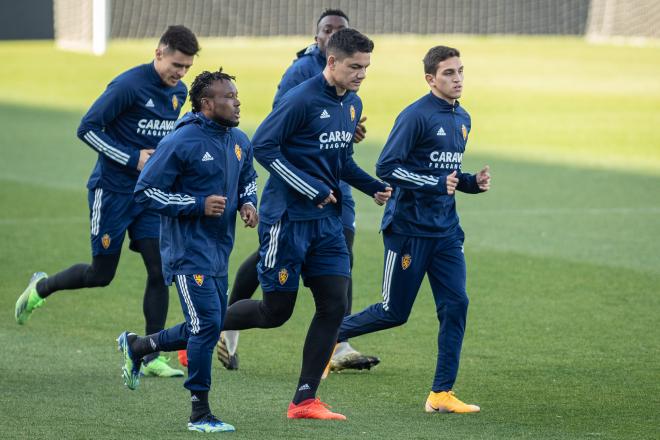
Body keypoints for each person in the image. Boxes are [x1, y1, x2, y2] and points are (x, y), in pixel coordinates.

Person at [221, 28, 391, 421]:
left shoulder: (352, 102)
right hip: (288, 219)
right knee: (274, 313)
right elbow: (262, 145)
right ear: (332, 62)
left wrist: (372, 187)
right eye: (354, 66)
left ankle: (304, 400)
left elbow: (341, 160)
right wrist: (309, 188)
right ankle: (200, 325)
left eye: (366, 67)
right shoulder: (300, 99)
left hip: (327, 223)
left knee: (333, 304)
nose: (362, 74)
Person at [14, 25, 199, 378]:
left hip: (146, 196)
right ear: (159, 53)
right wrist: (134, 159)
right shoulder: (128, 86)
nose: (180, 73)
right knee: (101, 274)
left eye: (187, 68)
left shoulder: (178, 93)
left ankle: (150, 355)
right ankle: (41, 287)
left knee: (160, 270)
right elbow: (87, 128)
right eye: (177, 65)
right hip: (111, 192)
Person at [336, 45, 491, 414]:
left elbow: (446, 175)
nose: (457, 79)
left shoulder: (462, 118)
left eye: (460, 72)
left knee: (457, 304)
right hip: (408, 229)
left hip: (446, 232)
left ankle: (441, 393)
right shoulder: (416, 116)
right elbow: (388, 167)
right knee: (394, 311)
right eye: (449, 73)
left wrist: (471, 182)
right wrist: (437, 185)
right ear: (430, 79)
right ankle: (331, 335)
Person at [117, 68, 258, 433]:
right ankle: (199, 412)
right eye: (229, 96)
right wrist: (197, 203)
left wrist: (248, 203)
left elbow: (249, 178)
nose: (237, 101)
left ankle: (139, 346)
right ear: (207, 104)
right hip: (186, 251)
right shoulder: (181, 142)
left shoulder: (239, 139)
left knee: (207, 325)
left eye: (236, 94)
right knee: (206, 326)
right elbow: (146, 191)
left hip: (219, 250)